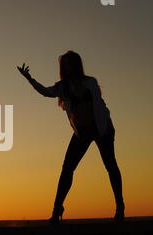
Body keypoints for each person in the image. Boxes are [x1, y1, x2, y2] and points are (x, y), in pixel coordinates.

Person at [17, 51, 125, 223]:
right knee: (67, 169)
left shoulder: (90, 82)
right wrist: (30, 79)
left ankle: (120, 207)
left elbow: (100, 106)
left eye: (72, 63)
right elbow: (45, 91)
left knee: (111, 165)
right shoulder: (62, 87)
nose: (69, 66)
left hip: (102, 129)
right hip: (81, 133)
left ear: (77, 64)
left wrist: (107, 127)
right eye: (66, 63)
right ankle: (57, 209)